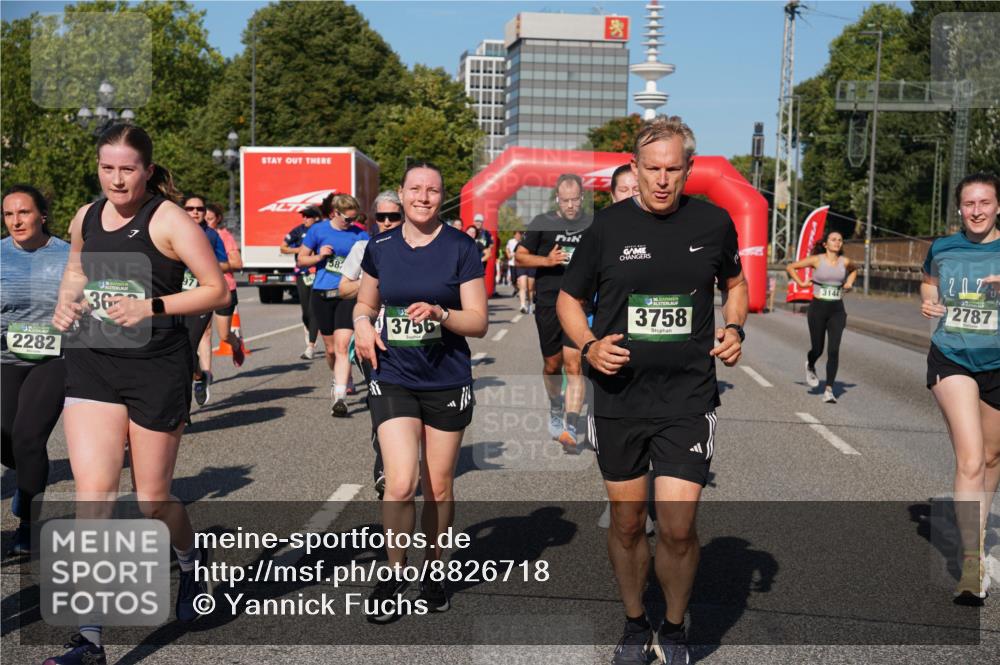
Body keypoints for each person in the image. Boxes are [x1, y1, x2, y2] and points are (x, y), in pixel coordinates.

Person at [557, 116, 747, 664]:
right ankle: (635, 621)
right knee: (626, 521)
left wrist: (734, 328)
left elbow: (735, 284)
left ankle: (676, 625)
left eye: (672, 169)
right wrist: (590, 345)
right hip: (618, 398)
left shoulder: (713, 223)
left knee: (680, 526)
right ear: (635, 169)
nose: (662, 180)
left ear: (689, 168)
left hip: (688, 397)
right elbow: (570, 300)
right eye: (652, 169)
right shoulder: (607, 228)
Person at [46, 123, 230, 664]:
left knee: (153, 499)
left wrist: (151, 307)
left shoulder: (169, 220)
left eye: (128, 169)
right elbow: (76, 269)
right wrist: (65, 304)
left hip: (155, 369)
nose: (117, 179)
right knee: (93, 494)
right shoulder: (86, 216)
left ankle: (190, 563)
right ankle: (89, 639)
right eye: (108, 168)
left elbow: (216, 289)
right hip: (93, 363)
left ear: (148, 170)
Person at [353, 162, 487, 622]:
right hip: (392, 373)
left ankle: (435, 569)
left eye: (432, 190)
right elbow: (365, 303)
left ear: (441, 196)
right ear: (403, 194)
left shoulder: (460, 247)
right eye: (415, 189)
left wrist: (441, 314)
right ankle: (392, 575)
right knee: (401, 481)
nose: (423, 197)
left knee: (439, 486)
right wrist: (362, 327)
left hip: (446, 377)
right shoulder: (381, 246)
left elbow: (479, 321)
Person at [920, 171, 1000, 603]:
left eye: (985, 202)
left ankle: (981, 538)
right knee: (970, 458)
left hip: (999, 362)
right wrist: (928, 300)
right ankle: (971, 564)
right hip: (952, 357)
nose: (976, 211)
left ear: (998, 206)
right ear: (959, 208)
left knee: (992, 456)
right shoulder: (943, 247)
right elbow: (929, 281)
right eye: (969, 203)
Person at [1, 185, 70, 557]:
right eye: (9, 214)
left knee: (28, 438)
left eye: (24, 212)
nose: (16, 221)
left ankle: (27, 523)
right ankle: (28, 476)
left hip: (53, 358)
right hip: (5, 359)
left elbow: (87, 300)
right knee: (8, 440)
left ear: (41, 214)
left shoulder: (69, 255)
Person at [516, 173, 592, 451]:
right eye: (565, 200)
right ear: (557, 199)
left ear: (582, 198)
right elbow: (520, 256)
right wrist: (547, 260)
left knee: (574, 365)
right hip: (548, 302)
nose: (571, 205)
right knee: (553, 364)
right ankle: (556, 406)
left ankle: (571, 426)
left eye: (575, 200)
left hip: (580, 304)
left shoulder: (592, 224)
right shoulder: (542, 223)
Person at [338, 191, 405, 500]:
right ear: (374, 220)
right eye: (382, 217)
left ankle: (400, 463)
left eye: (394, 216)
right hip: (374, 340)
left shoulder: (418, 247)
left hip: (413, 340)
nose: (388, 222)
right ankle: (384, 468)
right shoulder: (364, 247)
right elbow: (343, 288)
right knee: (382, 406)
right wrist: (372, 283)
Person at [297, 193, 369, 417]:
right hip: (322, 293)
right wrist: (319, 256)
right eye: (347, 219)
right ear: (334, 214)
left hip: (347, 295)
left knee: (343, 345)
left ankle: (339, 396)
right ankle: (342, 376)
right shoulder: (318, 231)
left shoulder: (360, 234)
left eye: (354, 218)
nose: (351, 223)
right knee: (330, 349)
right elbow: (302, 259)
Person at [785, 229, 858, 403]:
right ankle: (810, 364)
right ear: (825, 244)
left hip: (837, 310)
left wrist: (849, 282)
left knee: (833, 350)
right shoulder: (817, 260)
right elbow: (790, 267)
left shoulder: (845, 261)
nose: (837, 242)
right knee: (817, 348)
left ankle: (829, 390)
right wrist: (801, 282)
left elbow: (855, 270)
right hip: (818, 309)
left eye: (840, 239)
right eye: (833, 239)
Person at [181, 195, 233, 406]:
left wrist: (203, 266)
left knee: (187, 346)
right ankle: (200, 377)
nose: (195, 212)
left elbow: (226, 264)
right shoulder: (174, 230)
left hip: (202, 297)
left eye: (200, 209)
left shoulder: (211, 235)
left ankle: (181, 406)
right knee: (176, 348)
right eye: (190, 208)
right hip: (176, 296)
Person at [203, 202, 247, 371]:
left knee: (224, 335)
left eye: (210, 219)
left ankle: (236, 345)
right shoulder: (196, 235)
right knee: (205, 333)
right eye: (204, 219)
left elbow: (237, 263)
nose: (207, 222)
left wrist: (207, 264)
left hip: (225, 288)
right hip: (204, 288)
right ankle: (206, 374)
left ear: (218, 219)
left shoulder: (223, 236)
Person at [281, 205, 322, 359]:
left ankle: (310, 346)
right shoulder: (298, 231)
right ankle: (309, 329)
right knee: (305, 311)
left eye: (308, 216)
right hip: (302, 273)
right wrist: (301, 250)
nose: (305, 219)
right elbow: (283, 247)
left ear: (316, 218)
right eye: (303, 216)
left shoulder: (322, 230)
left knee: (313, 310)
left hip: (319, 273)